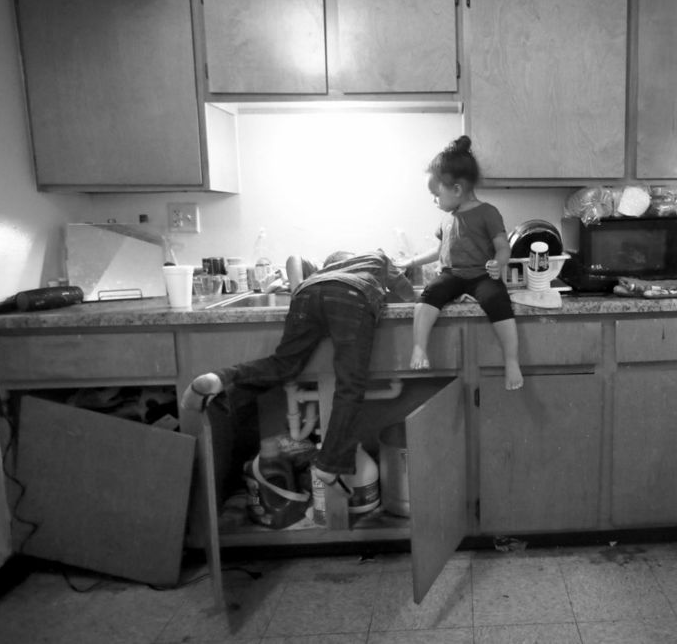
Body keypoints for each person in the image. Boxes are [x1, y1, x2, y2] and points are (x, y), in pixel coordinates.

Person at [180, 250, 414, 495]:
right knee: (350, 384)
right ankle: (329, 464)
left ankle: (219, 378)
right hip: (351, 299)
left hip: (306, 295)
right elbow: (407, 292)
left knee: (283, 364)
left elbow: (293, 258)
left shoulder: (324, 271)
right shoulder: (376, 257)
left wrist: (297, 289)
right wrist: (399, 295)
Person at [398, 135, 523, 390]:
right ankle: (419, 348)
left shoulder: (487, 212)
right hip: (452, 274)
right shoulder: (447, 219)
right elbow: (438, 250)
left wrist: (499, 264)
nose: (434, 201)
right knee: (430, 294)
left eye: (436, 194)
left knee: (498, 301)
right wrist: (410, 261)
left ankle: (511, 361)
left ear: (456, 189)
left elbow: (502, 246)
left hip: (481, 276)